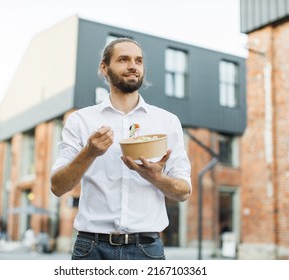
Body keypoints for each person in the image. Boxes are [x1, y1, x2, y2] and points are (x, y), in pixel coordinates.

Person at [50, 38, 192, 260]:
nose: (133, 66)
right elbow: (58, 186)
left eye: (138, 60)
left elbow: (183, 191)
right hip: (91, 249)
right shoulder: (80, 120)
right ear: (104, 68)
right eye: (123, 59)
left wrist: (156, 177)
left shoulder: (167, 121)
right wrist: (89, 153)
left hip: (147, 250)